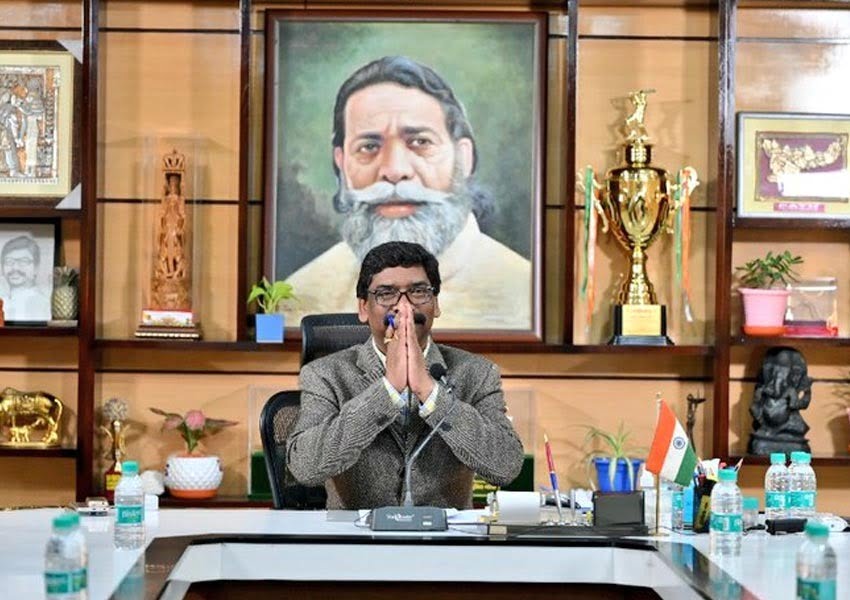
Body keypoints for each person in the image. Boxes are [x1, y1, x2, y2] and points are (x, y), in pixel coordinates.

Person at [283, 56, 531, 330]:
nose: (394, 170)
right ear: (341, 163)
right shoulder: (299, 298)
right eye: (368, 147)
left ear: (464, 157)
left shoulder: (528, 296)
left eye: (420, 142)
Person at [286, 241, 524, 510]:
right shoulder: (325, 374)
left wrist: (430, 392)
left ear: (436, 304)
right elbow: (305, 469)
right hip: (356, 533)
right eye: (386, 293)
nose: (404, 307)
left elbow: (506, 467)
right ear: (363, 308)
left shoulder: (477, 373)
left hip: (446, 534)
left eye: (418, 292)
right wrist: (388, 390)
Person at [0, 234, 50, 322]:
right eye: (9, 261)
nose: (15, 268)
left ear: (36, 268)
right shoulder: (3, 300)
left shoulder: (42, 304)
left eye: (23, 261)